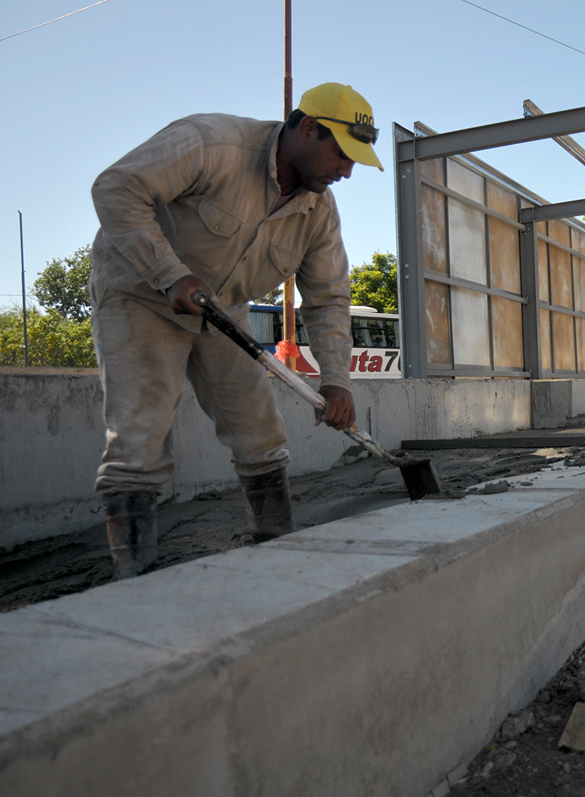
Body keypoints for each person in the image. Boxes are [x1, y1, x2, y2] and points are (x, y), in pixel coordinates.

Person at [88, 83, 383, 578]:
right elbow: (116, 188)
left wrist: (336, 380)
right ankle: (132, 577)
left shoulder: (318, 211)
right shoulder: (212, 143)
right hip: (140, 295)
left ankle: (276, 545)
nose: (347, 171)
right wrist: (169, 273)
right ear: (308, 129)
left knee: (260, 431)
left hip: (221, 310)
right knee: (139, 440)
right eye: (342, 154)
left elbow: (329, 297)